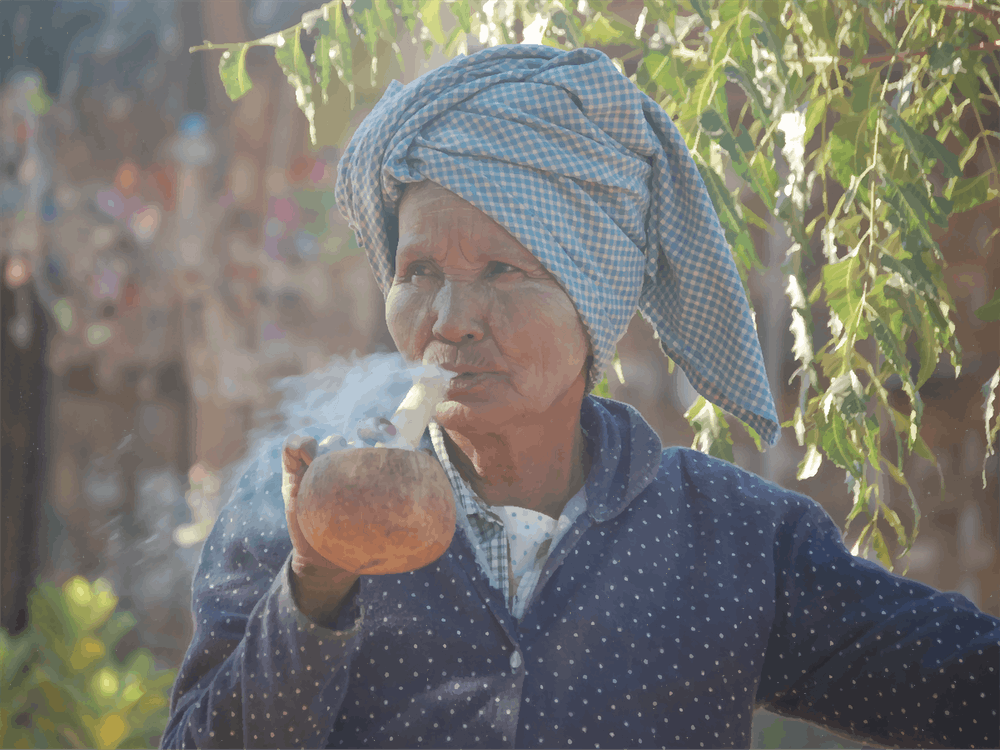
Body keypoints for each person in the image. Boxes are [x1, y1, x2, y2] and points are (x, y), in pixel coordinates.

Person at [161, 46, 999, 750]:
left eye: (504, 271)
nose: (450, 323)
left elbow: (966, 684)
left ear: (595, 301)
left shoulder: (733, 542)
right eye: (419, 273)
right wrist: (312, 586)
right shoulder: (304, 511)